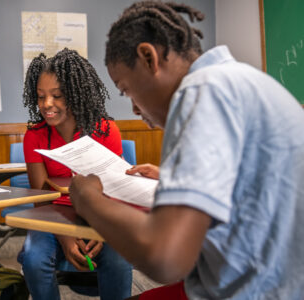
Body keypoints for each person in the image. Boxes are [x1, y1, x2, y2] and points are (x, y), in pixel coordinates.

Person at [69, 1, 304, 299]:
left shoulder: (201, 92)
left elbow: (165, 257)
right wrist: (174, 177)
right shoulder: (237, 79)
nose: (134, 107)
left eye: (126, 89)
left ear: (148, 57)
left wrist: (87, 198)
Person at [18, 48, 133, 300]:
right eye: (40, 97)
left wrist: (102, 232)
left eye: (57, 96)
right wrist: (65, 237)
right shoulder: (34, 136)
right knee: (34, 259)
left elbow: (113, 189)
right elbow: (41, 198)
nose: (47, 104)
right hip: (52, 218)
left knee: (119, 259)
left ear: (77, 94)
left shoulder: (106, 130)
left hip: (99, 214)